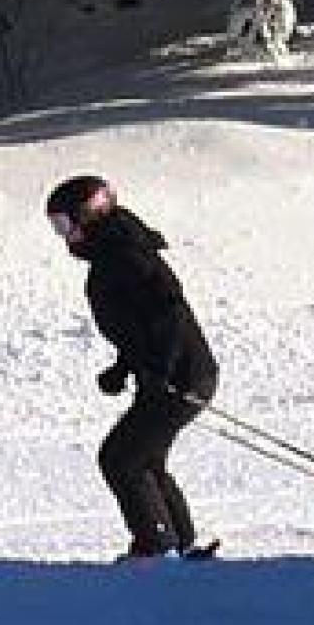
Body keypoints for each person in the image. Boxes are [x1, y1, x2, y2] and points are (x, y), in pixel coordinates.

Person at [45, 175, 219, 559]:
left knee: (122, 458)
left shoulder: (125, 254)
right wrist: (124, 368)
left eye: (65, 224)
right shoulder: (115, 252)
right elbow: (140, 323)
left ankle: (156, 545)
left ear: (88, 215)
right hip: (181, 372)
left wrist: (162, 368)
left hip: (181, 376)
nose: (65, 237)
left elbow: (169, 312)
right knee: (143, 457)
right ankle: (179, 544)